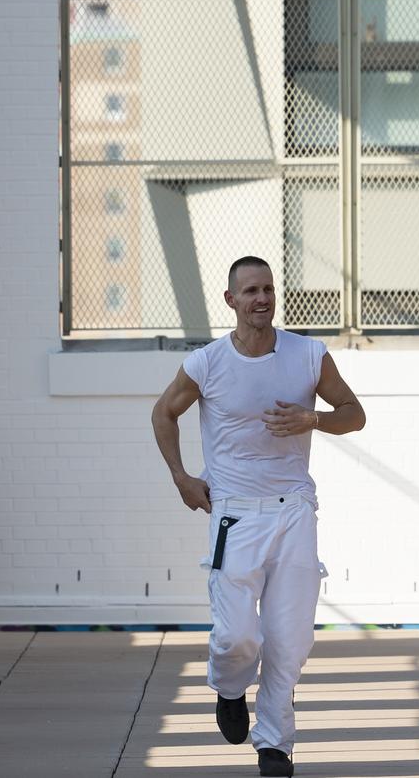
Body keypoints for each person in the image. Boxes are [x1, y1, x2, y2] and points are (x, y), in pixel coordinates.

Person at [151, 256, 366, 778]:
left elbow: (354, 415)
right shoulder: (207, 363)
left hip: (294, 510)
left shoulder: (308, 355)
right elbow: (164, 413)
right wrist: (182, 477)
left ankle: (274, 744)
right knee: (235, 637)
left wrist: (312, 418)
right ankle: (228, 686)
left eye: (268, 288)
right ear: (231, 300)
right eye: (250, 290)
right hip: (233, 514)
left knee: (290, 639)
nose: (261, 298)